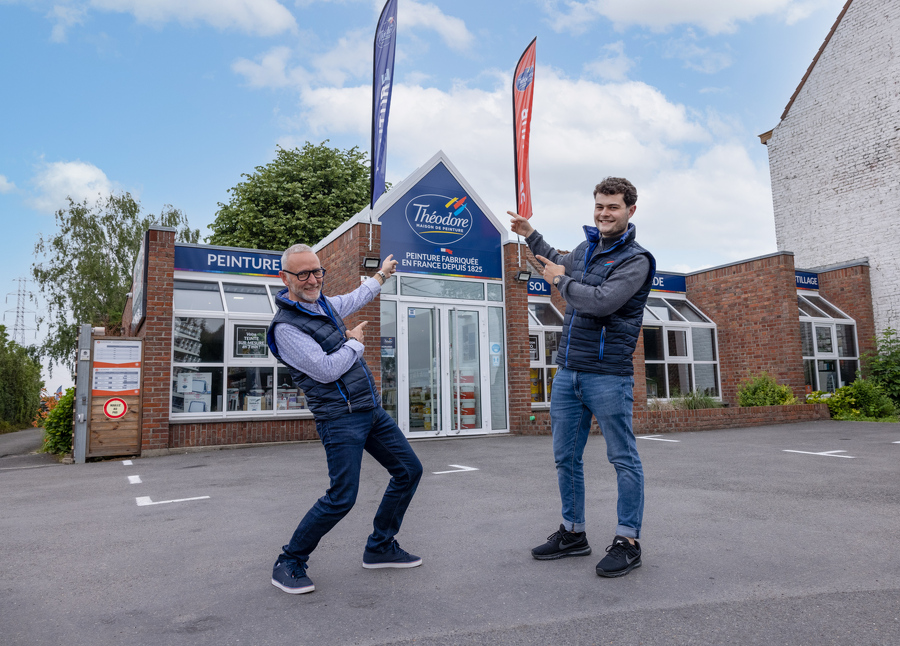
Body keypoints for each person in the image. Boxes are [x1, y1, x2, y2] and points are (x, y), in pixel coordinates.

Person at [508, 176, 655, 578]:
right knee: (565, 458)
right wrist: (530, 235)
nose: (604, 213)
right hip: (569, 371)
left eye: (613, 207)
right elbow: (559, 262)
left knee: (623, 458)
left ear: (630, 211)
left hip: (607, 375)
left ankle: (629, 541)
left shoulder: (636, 260)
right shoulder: (587, 249)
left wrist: (560, 279)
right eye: (599, 206)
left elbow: (600, 301)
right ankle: (574, 533)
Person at [266, 244, 424, 594]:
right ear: (285, 278)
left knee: (409, 470)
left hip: (369, 409)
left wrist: (382, 275)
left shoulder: (323, 305)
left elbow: (353, 298)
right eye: (303, 274)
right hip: (339, 418)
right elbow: (326, 370)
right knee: (342, 496)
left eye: (317, 271)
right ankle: (289, 561)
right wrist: (353, 343)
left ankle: (381, 546)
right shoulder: (286, 328)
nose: (312, 280)